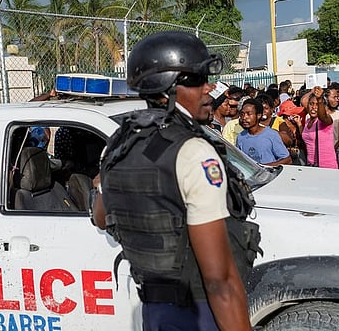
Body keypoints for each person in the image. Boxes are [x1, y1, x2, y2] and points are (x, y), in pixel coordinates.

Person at [93, 31, 256, 330]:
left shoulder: (118, 143)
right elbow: (219, 281)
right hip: (201, 312)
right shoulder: (193, 152)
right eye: (197, 79)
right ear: (167, 89)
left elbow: (101, 217)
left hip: (155, 313)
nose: (209, 88)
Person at [237, 98, 291, 166]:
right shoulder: (241, 137)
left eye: (249, 114)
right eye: (242, 114)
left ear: (258, 115)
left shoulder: (271, 135)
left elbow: (287, 160)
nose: (244, 117)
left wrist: (265, 168)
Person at [302, 86, 338, 169]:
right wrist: (312, 91)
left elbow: (322, 116)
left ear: (323, 107)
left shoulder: (325, 120)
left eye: (317, 105)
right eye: (311, 104)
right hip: (311, 166)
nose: (314, 107)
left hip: (326, 166)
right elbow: (303, 100)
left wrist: (320, 99)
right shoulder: (308, 121)